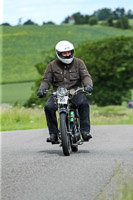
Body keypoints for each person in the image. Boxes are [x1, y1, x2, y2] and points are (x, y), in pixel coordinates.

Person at [37, 40, 93, 143]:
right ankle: (53, 133)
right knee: (48, 107)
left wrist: (88, 85)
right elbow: (46, 80)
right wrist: (42, 89)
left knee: (84, 104)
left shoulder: (79, 63)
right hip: (58, 94)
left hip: (75, 92)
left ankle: (85, 132)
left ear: (72, 52)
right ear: (59, 53)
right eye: (64, 53)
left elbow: (86, 76)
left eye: (69, 52)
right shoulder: (52, 65)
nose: (67, 55)